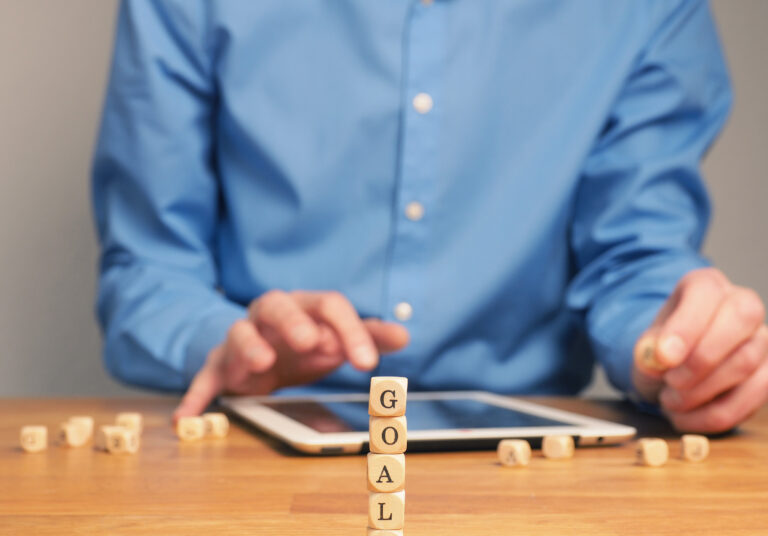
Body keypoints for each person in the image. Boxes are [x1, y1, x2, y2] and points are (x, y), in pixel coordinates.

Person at [92, 0, 767, 434]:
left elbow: (636, 261)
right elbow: (146, 269)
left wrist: (676, 352)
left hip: (532, 475)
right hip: (246, 438)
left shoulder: (651, 10)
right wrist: (226, 340)